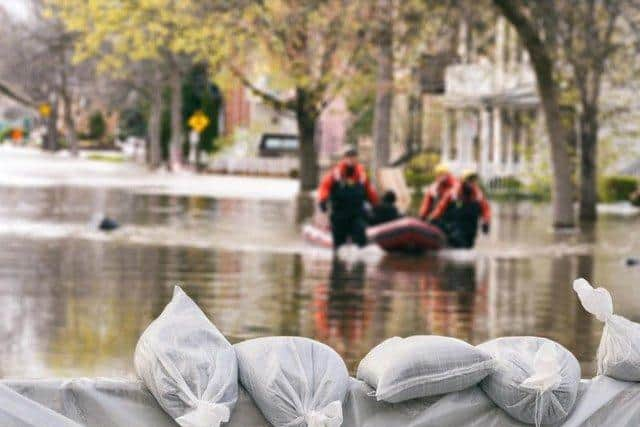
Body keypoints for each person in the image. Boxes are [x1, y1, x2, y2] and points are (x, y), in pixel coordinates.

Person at [317, 146, 379, 249]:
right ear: (344, 158)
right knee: (339, 245)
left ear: (356, 159)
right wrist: (323, 200)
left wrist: (376, 204)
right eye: (349, 157)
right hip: (339, 214)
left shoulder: (362, 174)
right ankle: (338, 262)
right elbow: (324, 187)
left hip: (357, 214)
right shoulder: (335, 174)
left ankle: (360, 262)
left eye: (353, 157)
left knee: (361, 238)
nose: (351, 159)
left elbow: (369, 191)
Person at [427, 170, 491, 248]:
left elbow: (486, 210)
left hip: (470, 230)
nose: (472, 183)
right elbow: (440, 208)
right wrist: (433, 218)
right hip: (454, 227)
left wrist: (486, 222)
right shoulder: (453, 194)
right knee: (457, 242)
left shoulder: (478, 195)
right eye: (469, 180)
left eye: (473, 180)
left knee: (467, 247)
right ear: (463, 182)